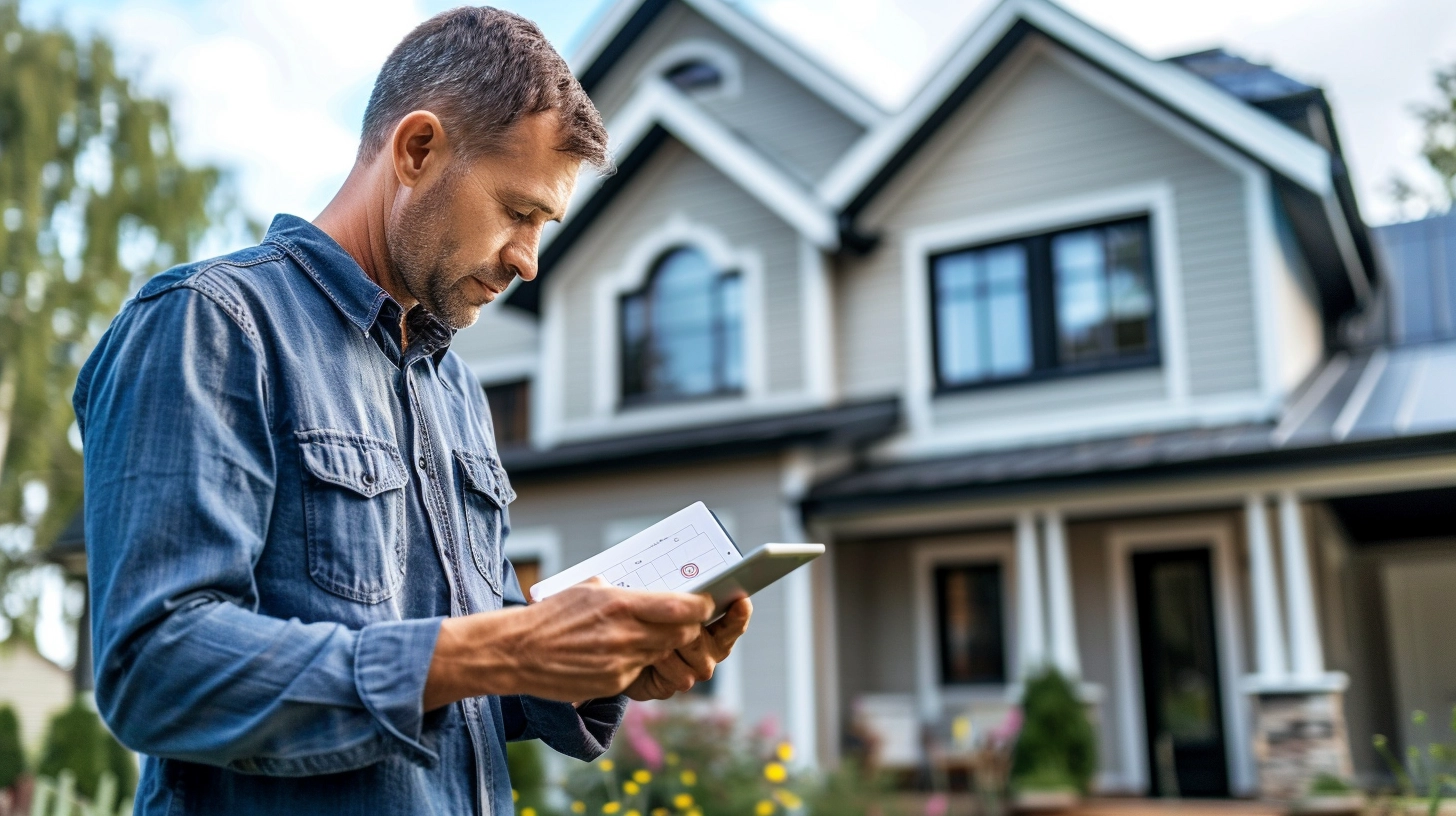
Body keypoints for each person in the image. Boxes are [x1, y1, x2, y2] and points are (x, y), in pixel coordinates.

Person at [72, 7, 752, 814]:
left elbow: (462, 685)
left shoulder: (456, 389)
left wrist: (586, 666)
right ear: (418, 149)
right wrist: (499, 647)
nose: (528, 262)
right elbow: (155, 669)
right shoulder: (209, 324)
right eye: (518, 211)